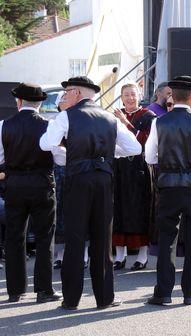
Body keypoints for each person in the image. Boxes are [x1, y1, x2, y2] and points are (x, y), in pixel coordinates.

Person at [39, 76, 142, 310]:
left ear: (76, 93)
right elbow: (135, 148)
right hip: (104, 178)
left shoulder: (67, 116)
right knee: (102, 239)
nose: (64, 97)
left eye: (66, 93)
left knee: (76, 239)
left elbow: (46, 143)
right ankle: (105, 298)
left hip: (78, 178)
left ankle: (71, 300)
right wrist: (108, 152)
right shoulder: (110, 118)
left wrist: (72, 148)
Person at [145, 75, 191, 306]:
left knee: (167, 239)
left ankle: (163, 293)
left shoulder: (159, 122)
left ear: (171, 96)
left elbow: (149, 156)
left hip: (168, 186)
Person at [0, 83, 65, 303]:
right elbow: (59, 158)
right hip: (42, 183)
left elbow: (0, 158)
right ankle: (44, 290)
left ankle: (15, 290)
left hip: (15, 183)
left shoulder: (3, 126)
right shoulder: (49, 125)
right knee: (45, 236)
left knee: (14, 236)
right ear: (39, 104)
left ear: (18, 102)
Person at [112, 83, 155, 271]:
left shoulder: (147, 116)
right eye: (126, 95)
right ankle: (119, 256)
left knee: (140, 210)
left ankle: (142, 255)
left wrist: (125, 123)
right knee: (118, 208)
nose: (130, 98)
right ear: (121, 97)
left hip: (139, 168)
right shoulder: (114, 115)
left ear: (139, 96)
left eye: (133, 94)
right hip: (119, 167)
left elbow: (144, 140)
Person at [52, 91, 89, 270]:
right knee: (61, 212)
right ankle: (60, 254)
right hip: (60, 170)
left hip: (77, 168)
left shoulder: (81, 119)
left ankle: (83, 253)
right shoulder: (55, 121)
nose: (65, 102)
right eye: (62, 101)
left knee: (80, 210)